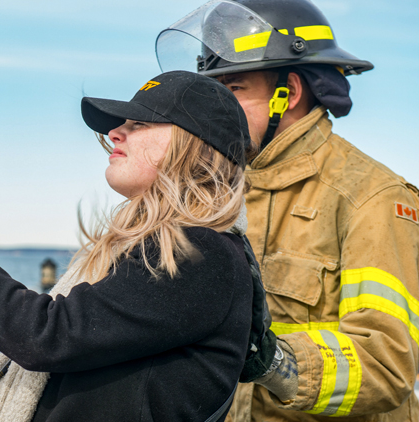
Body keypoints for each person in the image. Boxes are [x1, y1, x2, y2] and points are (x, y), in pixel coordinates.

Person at [0, 71, 258, 421]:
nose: (114, 133)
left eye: (138, 124)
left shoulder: (201, 254)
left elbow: (49, 337)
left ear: (193, 145)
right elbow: (68, 388)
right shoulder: (168, 251)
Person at [156, 0, 419, 420]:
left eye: (234, 89)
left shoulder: (373, 198)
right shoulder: (213, 194)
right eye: (212, 91)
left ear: (289, 94)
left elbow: (385, 365)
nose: (213, 109)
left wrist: (272, 361)